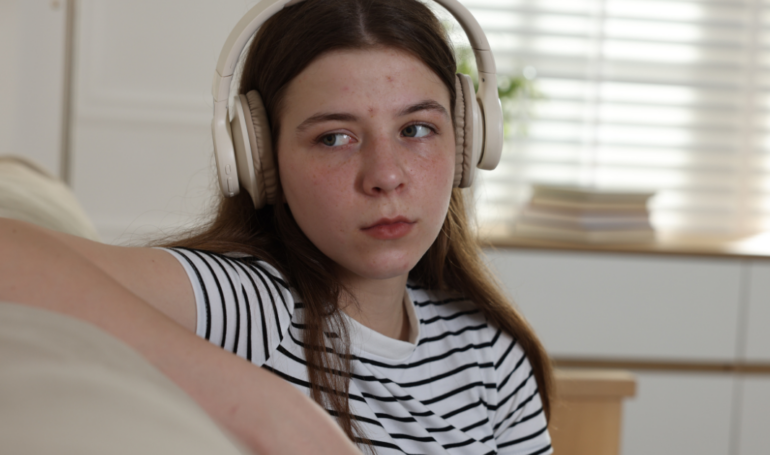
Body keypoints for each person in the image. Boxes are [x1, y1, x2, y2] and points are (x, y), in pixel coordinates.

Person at [0, 0, 553, 454]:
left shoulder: (490, 355)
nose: (386, 176)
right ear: (261, 161)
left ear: (468, 140)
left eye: (416, 129)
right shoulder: (250, 307)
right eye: (334, 137)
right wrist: (255, 403)